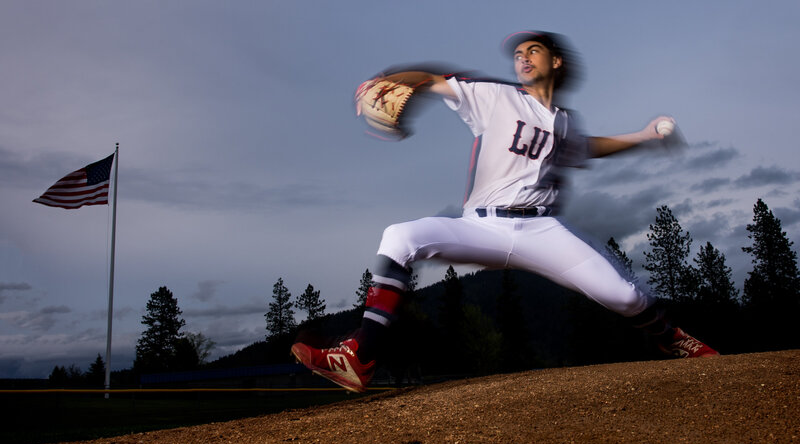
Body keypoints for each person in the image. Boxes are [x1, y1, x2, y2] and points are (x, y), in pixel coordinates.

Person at [292, 30, 718, 393]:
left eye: (532, 50)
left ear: (556, 61)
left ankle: (672, 339)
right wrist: (387, 80)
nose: (521, 58)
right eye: (517, 54)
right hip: (484, 226)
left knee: (624, 296)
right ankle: (360, 356)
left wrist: (643, 136)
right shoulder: (493, 97)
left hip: (543, 231)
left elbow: (589, 148)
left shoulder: (566, 122)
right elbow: (431, 79)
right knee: (400, 236)